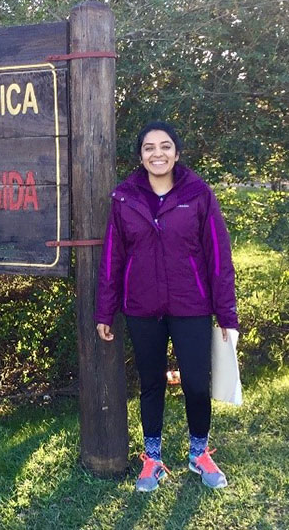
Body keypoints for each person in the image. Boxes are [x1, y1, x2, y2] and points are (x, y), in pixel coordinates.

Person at [95, 121, 238, 492]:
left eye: (165, 146)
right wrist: (104, 311)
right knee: (151, 383)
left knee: (194, 382)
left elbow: (219, 256)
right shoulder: (124, 198)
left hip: (191, 305)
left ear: (177, 152)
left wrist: (226, 314)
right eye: (149, 148)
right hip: (142, 308)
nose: (157, 153)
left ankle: (199, 453)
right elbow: (112, 258)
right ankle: (153, 459)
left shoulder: (198, 194)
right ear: (140, 156)